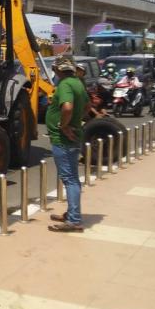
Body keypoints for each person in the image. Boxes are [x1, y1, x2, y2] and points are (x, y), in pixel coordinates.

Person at [46, 55, 88, 233]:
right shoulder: (78, 83)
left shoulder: (64, 85)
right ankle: (73, 213)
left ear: (58, 70)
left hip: (62, 139)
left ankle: (73, 220)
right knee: (72, 178)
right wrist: (76, 122)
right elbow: (87, 106)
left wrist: (63, 126)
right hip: (73, 136)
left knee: (69, 179)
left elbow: (68, 107)